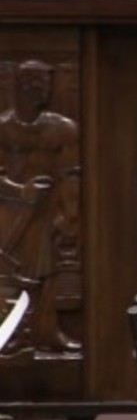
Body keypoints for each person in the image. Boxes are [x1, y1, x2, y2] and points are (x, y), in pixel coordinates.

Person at [0, 59, 81, 354]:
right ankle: (10, 334)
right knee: (9, 277)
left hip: (46, 213)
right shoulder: (3, 129)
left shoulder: (62, 129)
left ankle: (46, 332)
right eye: (39, 85)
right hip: (8, 213)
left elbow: (71, 175)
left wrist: (70, 215)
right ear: (24, 87)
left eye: (48, 85)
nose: (45, 92)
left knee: (47, 274)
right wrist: (21, 191)